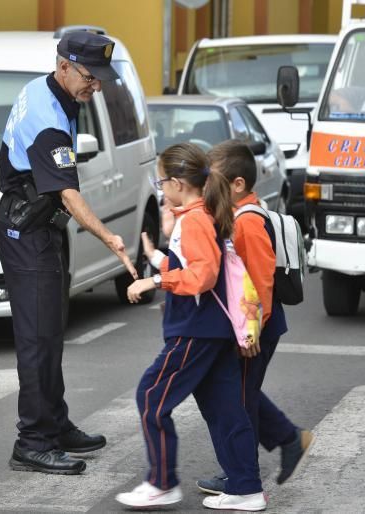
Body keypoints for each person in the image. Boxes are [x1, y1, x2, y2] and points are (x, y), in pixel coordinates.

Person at [0, 31, 137, 476]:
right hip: (27, 232)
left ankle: (54, 424)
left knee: (52, 332)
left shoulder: (47, 88)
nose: (96, 87)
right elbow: (69, 194)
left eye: (99, 80)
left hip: (41, 228)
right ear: (64, 67)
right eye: (90, 78)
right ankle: (32, 441)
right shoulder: (47, 117)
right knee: (37, 340)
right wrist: (109, 237)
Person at [115, 143, 266, 511]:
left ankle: (162, 482)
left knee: (151, 397)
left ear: (179, 183)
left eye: (162, 180)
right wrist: (158, 256)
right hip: (210, 329)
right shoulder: (199, 215)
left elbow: (202, 275)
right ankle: (246, 488)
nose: (160, 188)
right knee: (226, 408)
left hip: (196, 330)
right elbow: (196, 266)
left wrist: (152, 282)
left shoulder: (196, 219)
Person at [196, 140, 314, 497]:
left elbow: (261, 281)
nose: (206, 190)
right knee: (239, 393)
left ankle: (242, 476)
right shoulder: (242, 214)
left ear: (237, 185)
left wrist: (250, 334)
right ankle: (288, 438)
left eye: (212, 182)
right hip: (253, 322)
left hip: (255, 326)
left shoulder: (247, 222)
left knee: (237, 401)